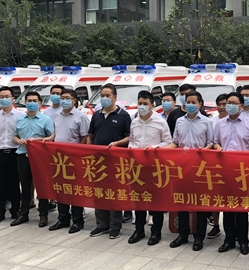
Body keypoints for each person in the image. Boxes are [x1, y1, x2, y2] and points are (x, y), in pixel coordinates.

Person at [214, 91, 249, 255]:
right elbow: (215, 142)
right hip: (225, 170)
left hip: (243, 171)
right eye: (229, 103)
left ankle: (242, 241)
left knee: (241, 207)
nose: (230, 106)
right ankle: (228, 239)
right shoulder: (220, 124)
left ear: (241, 106)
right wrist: (218, 147)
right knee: (227, 206)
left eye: (234, 103)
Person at [167, 91, 214, 251]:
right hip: (182, 166)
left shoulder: (207, 122)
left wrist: (203, 150)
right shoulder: (179, 121)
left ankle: (199, 237)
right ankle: (183, 234)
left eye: (194, 102)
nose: (191, 105)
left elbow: (211, 143)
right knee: (182, 200)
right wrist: (161, 150)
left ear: (200, 104)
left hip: (200, 167)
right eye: (188, 102)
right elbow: (175, 142)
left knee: (200, 202)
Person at [128, 90, 172, 246]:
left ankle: (156, 232)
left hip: (154, 166)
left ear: (152, 105)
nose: (142, 106)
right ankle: (139, 230)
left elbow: (168, 142)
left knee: (156, 200)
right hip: (137, 167)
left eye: (145, 104)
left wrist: (154, 148)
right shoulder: (134, 121)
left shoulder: (160, 122)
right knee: (139, 199)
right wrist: (131, 147)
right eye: (140, 103)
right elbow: (132, 140)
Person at [87, 83, 131, 238]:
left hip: (115, 161)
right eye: (102, 96)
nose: (104, 98)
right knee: (99, 192)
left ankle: (115, 226)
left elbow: (129, 137)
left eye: (107, 95)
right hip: (98, 160)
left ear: (115, 97)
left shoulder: (123, 115)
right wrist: (89, 151)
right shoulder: (96, 115)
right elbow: (90, 136)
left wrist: (117, 144)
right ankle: (101, 225)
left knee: (114, 193)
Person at [46, 89, 90, 234]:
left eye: (67, 98)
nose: (63, 100)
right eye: (62, 97)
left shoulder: (81, 116)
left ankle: (77, 220)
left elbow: (85, 137)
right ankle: (63, 218)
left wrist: (78, 153)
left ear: (74, 100)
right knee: (61, 188)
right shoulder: (57, 114)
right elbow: (56, 132)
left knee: (75, 189)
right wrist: (49, 139)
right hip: (59, 158)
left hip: (74, 157)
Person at [11, 92, 54, 227]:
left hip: (39, 157)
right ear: (25, 102)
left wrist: (39, 140)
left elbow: (51, 137)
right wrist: (18, 141)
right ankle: (23, 214)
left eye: (34, 100)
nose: (31, 103)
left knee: (41, 186)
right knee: (25, 186)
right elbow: (15, 136)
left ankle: (43, 215)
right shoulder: (20, 119)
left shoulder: (46, 119)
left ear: (40, 103)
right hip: (22, 155)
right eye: (29, 100)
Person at [0, 86, 23, 224]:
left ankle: (15, 210)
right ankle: (0, 212)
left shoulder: (20, 115)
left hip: (14, 152)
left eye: (6, 96)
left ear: (13, 98)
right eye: (1, 97)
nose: (4, 99)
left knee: (14, 182)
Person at [208, 93, 229, 240]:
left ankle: (233, 228)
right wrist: (216, 146)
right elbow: (211, 141)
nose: (222, 107)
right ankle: (215, 225)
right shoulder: (212, 121)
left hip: (234, 165)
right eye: (219, 104)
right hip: (215, 164)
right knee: (215, 197)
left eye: (224, 104)